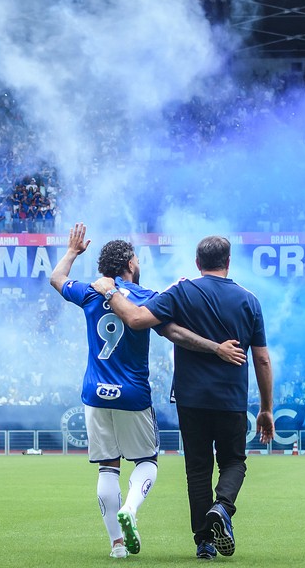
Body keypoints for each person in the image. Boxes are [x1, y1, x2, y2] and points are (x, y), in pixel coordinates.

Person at [50, 224, 244, 560]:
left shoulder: (90, 292)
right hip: (132, 394)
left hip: (94, 393)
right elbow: (176, 334)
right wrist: (215, 348)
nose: (139, 263)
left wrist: (72, 252)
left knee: (108, 467)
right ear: (129, 265)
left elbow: (56, 279)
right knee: (147, 462)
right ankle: (130, 507)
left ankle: (116, 545)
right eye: (136, 259)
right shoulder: (145, 297)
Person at [93, 234, 274, 561]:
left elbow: (136, 320)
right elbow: (261, 359)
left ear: (197, 263)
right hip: (231, 399)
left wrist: (109, 290)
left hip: (191, 399)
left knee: (198, 470)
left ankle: (204, 543)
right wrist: (266, 408)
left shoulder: (182, 291)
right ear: (228, 262)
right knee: (234, 461)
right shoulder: (249, 300)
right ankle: (222, 507)